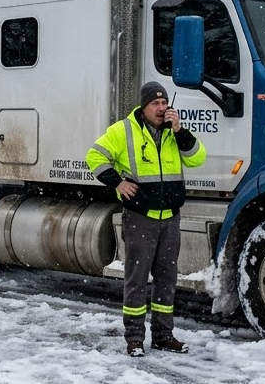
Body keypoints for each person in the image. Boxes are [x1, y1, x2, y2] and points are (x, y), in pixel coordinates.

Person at [86, 81, 206, 357]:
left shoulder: (174, 133)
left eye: (164, 103)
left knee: (167, 280)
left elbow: (198, 158)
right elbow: (94, 156)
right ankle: (135, 339)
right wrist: (117, 183)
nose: (162, 109)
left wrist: (179, 130)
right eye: (156, 104)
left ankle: (164, 335)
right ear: (144, 106)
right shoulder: (123, 130)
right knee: (136, 280)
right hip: (141, 218)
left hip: (170, 220)